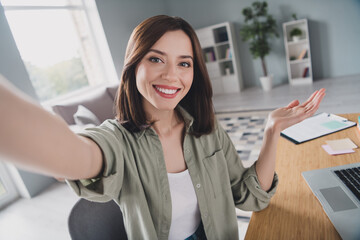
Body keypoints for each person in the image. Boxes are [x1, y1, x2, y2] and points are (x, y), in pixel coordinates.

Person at [0, 15, 325, 240]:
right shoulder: (117, 142)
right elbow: (69, 153)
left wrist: (271, 132)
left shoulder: (208, 132)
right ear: (133, 64)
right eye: (156, 59)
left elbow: (250, 198)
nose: (172, 75)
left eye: (184, 63)